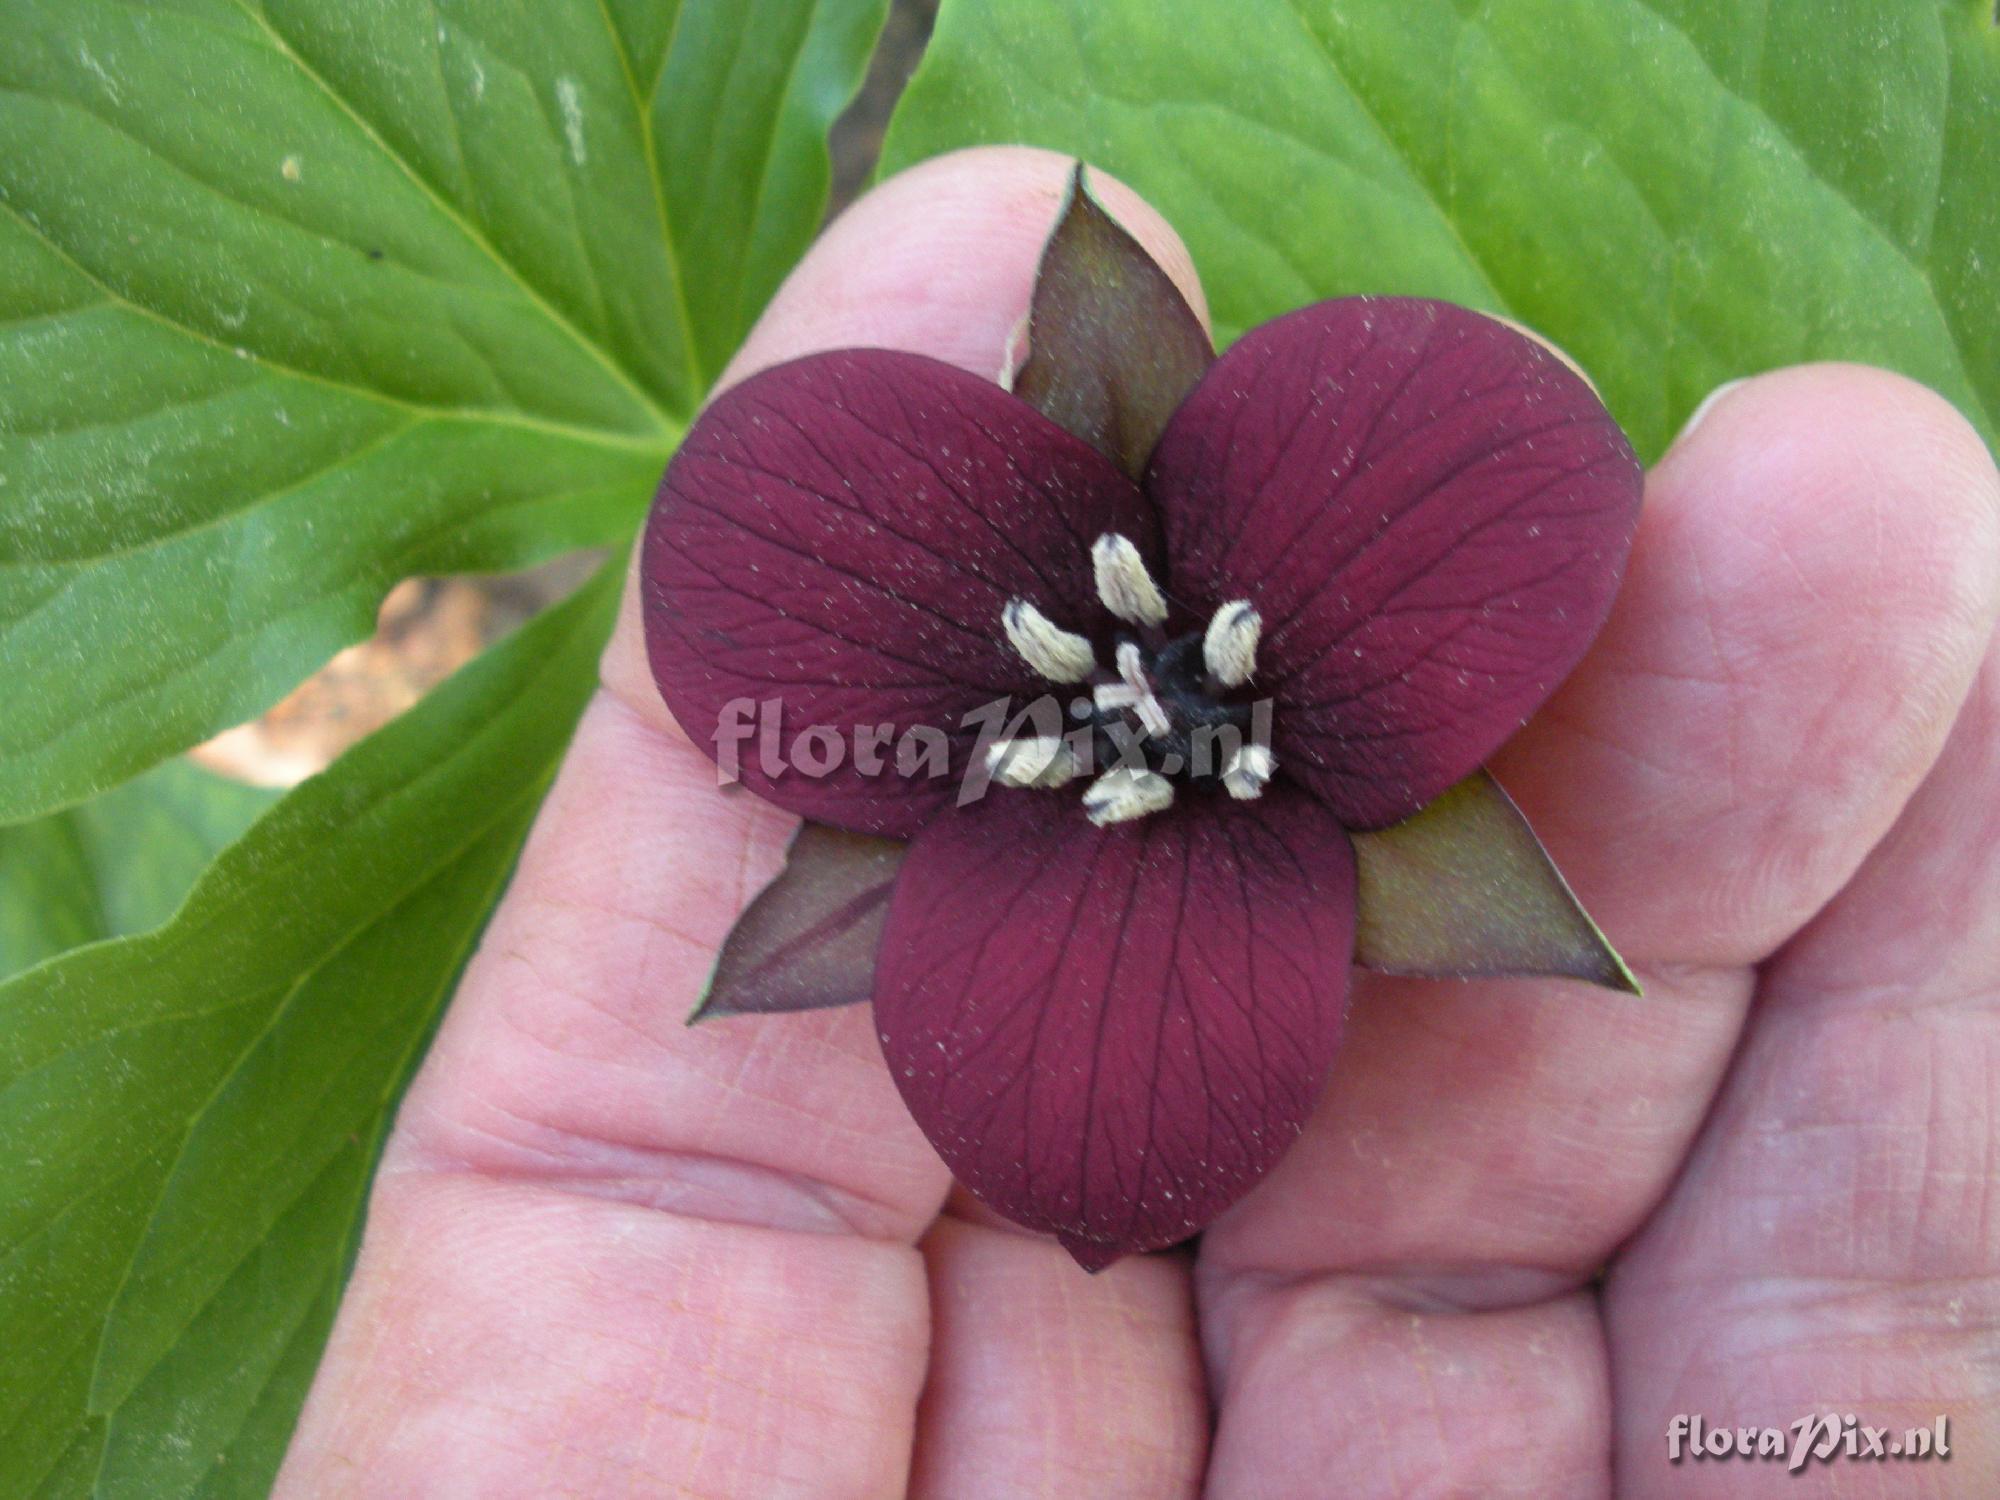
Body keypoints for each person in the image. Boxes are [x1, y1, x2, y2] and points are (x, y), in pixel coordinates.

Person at [275, 148, 2000, 1497]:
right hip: (1110, 761)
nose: (1150, 709)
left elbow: (1496, 467)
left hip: (1215, 711)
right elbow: (762, 538)